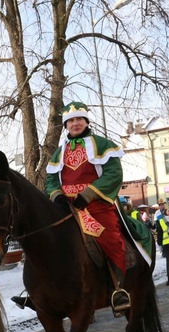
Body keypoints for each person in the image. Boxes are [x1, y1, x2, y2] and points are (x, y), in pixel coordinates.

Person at [44, 101, 132, 314]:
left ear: (86, 121)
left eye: (79, 119)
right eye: (71, 120)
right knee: (45, 241)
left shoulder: (103, 144)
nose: (75, 124)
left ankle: (118, 289)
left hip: (96, 206)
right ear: (66, 125)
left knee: (110, 239)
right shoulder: (58, 152)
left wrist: (89, 194)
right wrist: (57, 196)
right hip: (67, 208)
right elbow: (51, 179)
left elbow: (114, 174)